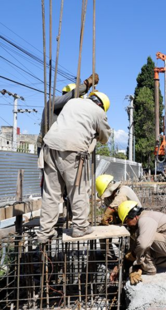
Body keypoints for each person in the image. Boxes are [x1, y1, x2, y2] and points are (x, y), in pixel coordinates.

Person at [37, 90, 112, 243]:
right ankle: (80, 226)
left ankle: (45, 232)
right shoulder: (98, 112)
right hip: (72, 149)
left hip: (49, 146)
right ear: (102, 105)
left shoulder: (72, 102)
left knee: (51, 193)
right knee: (78, 188)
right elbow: (105, 137)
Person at [113, 200, 166, 285]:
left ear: (133, 216)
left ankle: (149, 269)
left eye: (126, 221)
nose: (127, 224)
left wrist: (135, 257)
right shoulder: (143, 218)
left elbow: (143, 244)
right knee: (147, 253)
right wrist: (121, 265)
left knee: (143, 242)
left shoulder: (144, 220)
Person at [37, 74, 99, 152]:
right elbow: (69, 96)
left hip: (61, 148)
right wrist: (85, 85)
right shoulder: (53, 103)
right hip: (46, 147)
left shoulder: (70, 112)